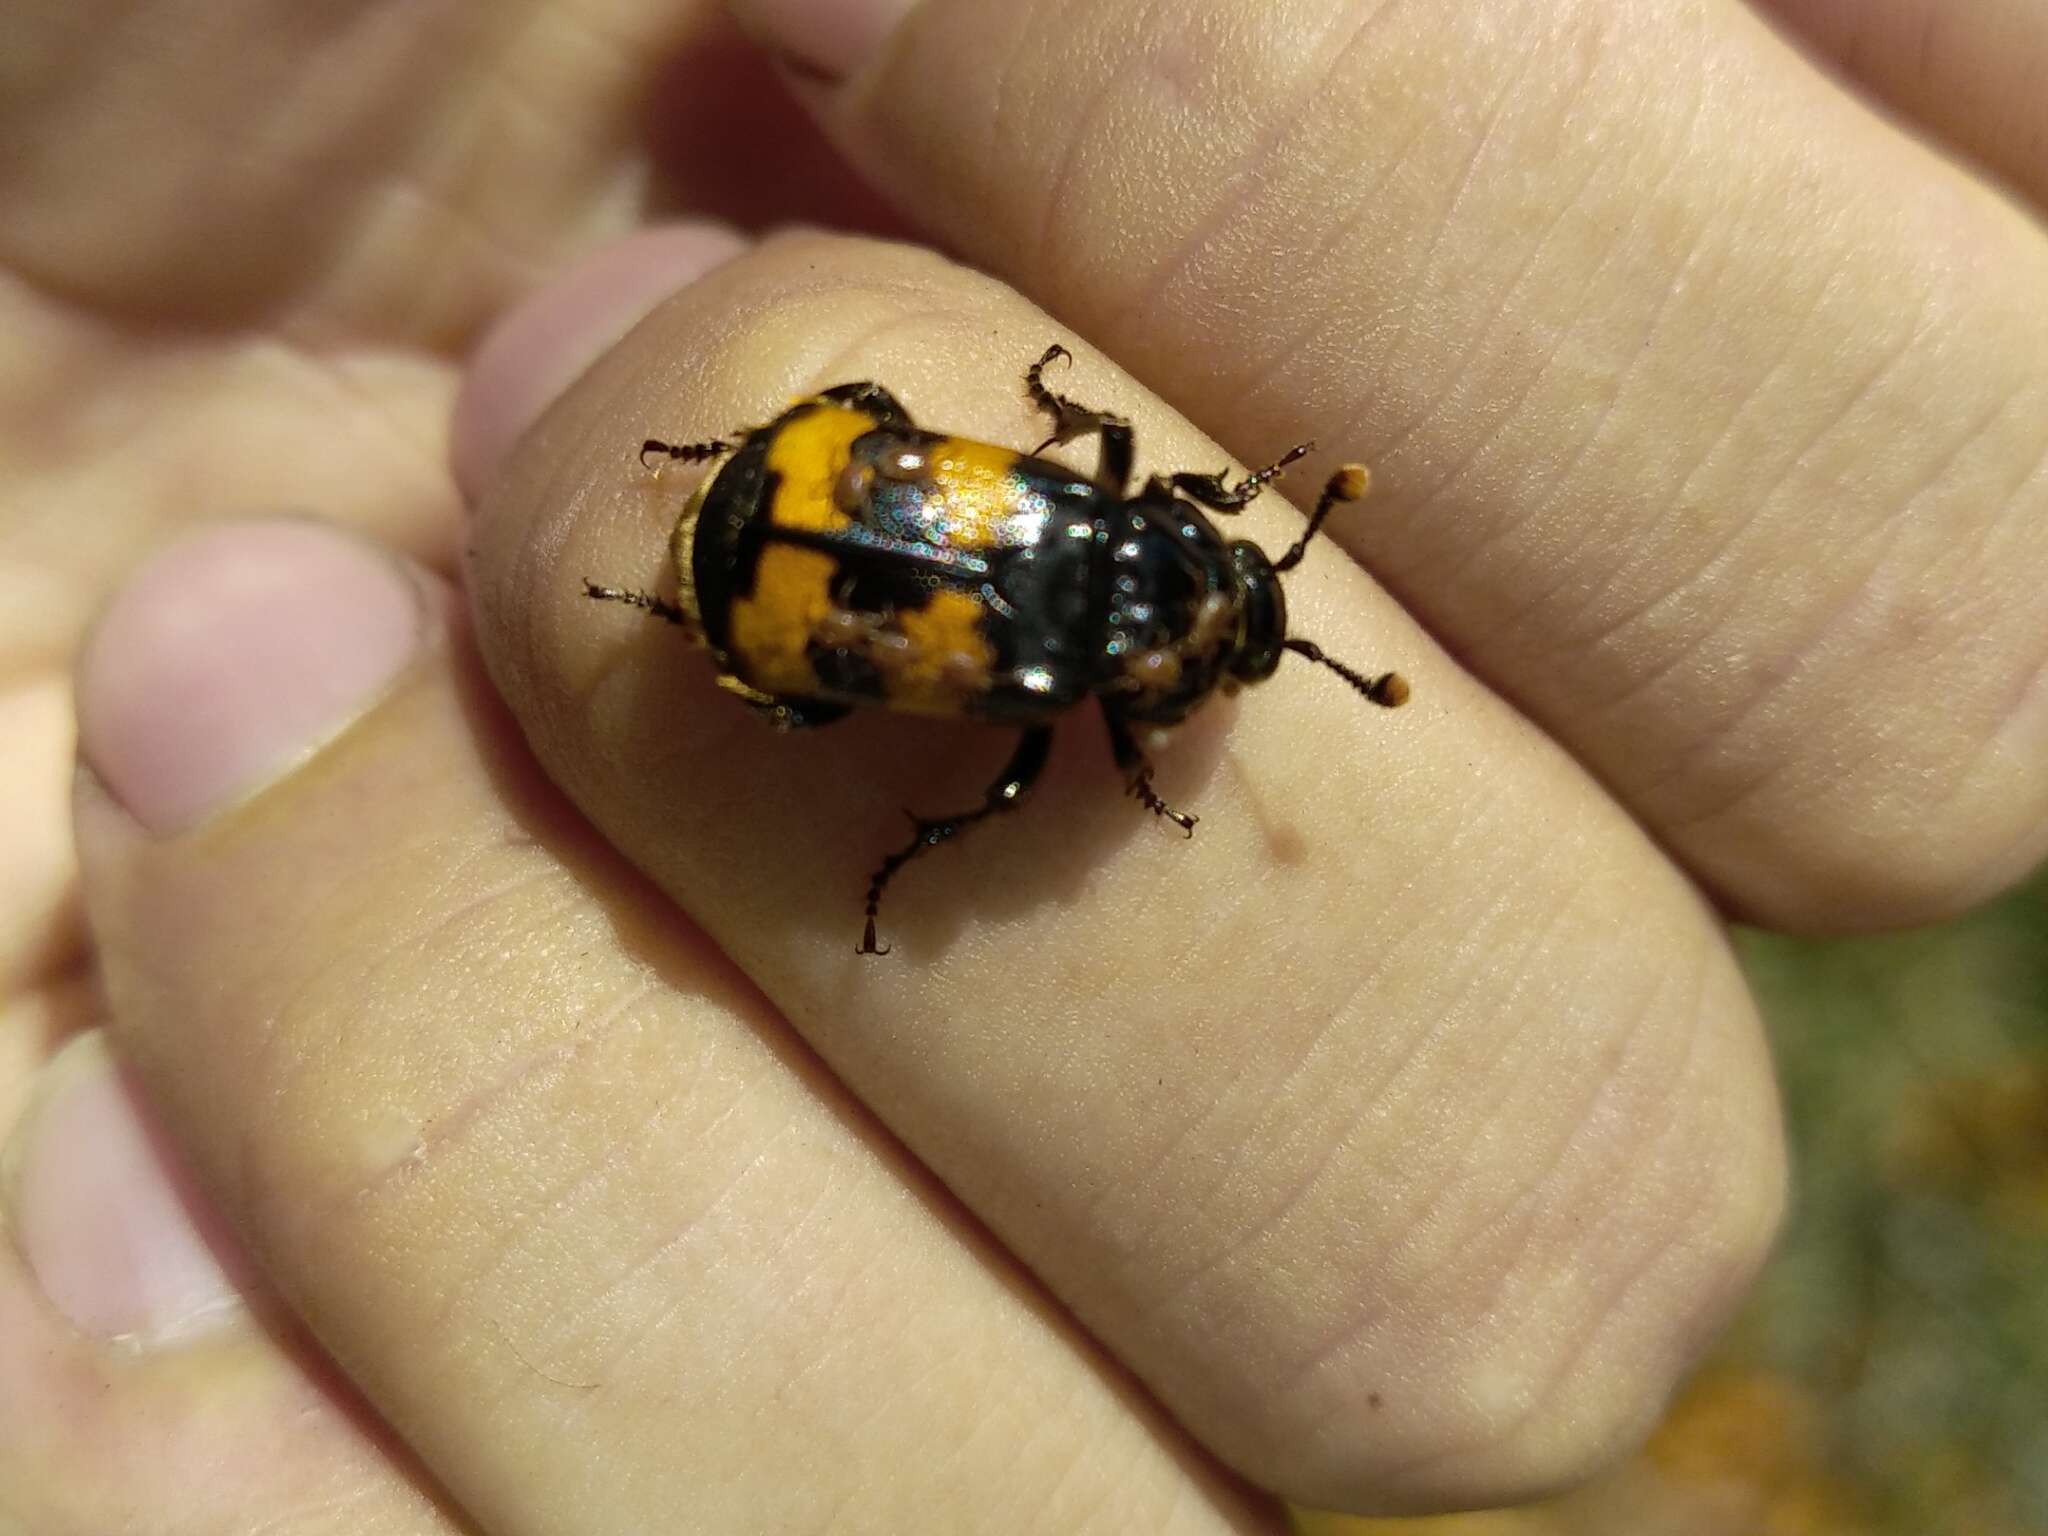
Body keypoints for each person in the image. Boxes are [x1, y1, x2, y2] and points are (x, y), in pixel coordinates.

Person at [4, 0, 2044, 1528]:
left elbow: (1008, 485)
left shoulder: (1093, 545)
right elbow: (995, 773)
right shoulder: (1066, 672)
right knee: (888, 736)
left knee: (863, 570)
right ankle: (681, 616)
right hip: (783, 562)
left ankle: (686, 601)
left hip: (807, 511)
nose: (1239, 599)